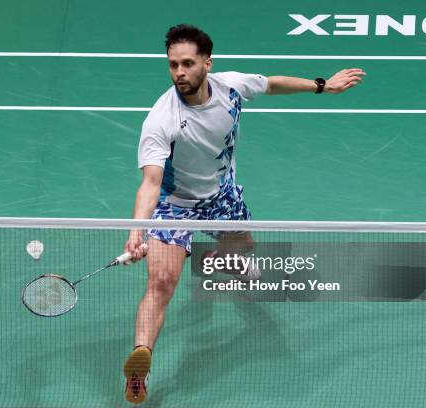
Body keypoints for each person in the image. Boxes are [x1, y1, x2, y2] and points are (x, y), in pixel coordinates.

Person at [122, 24, 365, 404]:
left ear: (207, 62)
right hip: (175, 207)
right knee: (161, 283)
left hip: (222, 196)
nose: (179, 73)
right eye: (173, 65)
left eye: (187, 63)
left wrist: (323, 85)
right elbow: (150, 183)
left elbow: (272, 83)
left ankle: (219, 260)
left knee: (245, 246)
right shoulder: (161, 119)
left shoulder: (230, 87)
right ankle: (141, 364)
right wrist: (138, 231)